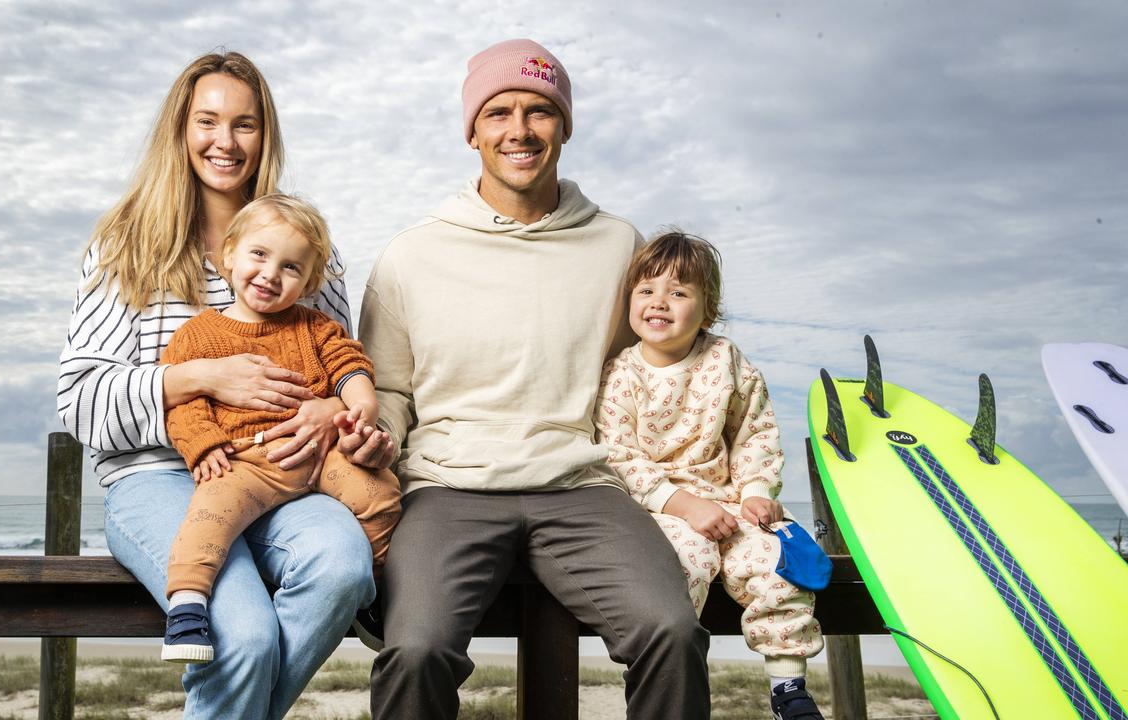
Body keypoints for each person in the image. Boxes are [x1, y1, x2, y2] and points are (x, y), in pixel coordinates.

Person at [358, 39, 711, 719]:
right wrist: (374, 438)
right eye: (499, 113)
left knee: (671, 630)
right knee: (414, 651)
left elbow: (648, 366)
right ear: (473, 131)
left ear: (564, 126)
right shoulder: (411, 254)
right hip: (447, 487)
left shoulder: (617, 244)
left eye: (539, 112)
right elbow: (392, 391)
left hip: (583, 488)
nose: (519, 131)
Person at [58, 52, 377, 719]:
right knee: (246, 637)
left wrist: (329, 412)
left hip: (285, 473)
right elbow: (81, 400)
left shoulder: (311, 253)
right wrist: (202, 377)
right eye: (208, 122)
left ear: (266, 136)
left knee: (344, 565)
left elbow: (340, 364)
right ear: (181, 129)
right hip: (156, 479)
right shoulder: (127, 244)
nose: (225, 143)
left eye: (245, 125)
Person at [158, 193, 401, 664]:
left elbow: (350, 367)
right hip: (248, 460)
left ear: (309, 281)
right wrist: (203, 446)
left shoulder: (316, 328)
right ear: (229, 254)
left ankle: (370, 591)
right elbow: (185, 407)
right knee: (209, 514)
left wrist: (359, 408)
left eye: (291, 267)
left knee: (382, 493)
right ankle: (187, 603)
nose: (271, 274)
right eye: (259, 255)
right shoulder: (199, 336)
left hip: (320, 456)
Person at [594, 230, 826, 719]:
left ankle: (788, 685)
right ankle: (665, 670)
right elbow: (618, 457)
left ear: (708, 308)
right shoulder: (621, 375)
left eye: (678, 292)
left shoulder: (726, 360)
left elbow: (754, 432)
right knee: (688, 562)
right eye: (647, 290)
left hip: (729, 500)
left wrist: (757, 493)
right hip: (661, 508)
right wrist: (683, 506)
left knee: (777, 556)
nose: (660, 302)